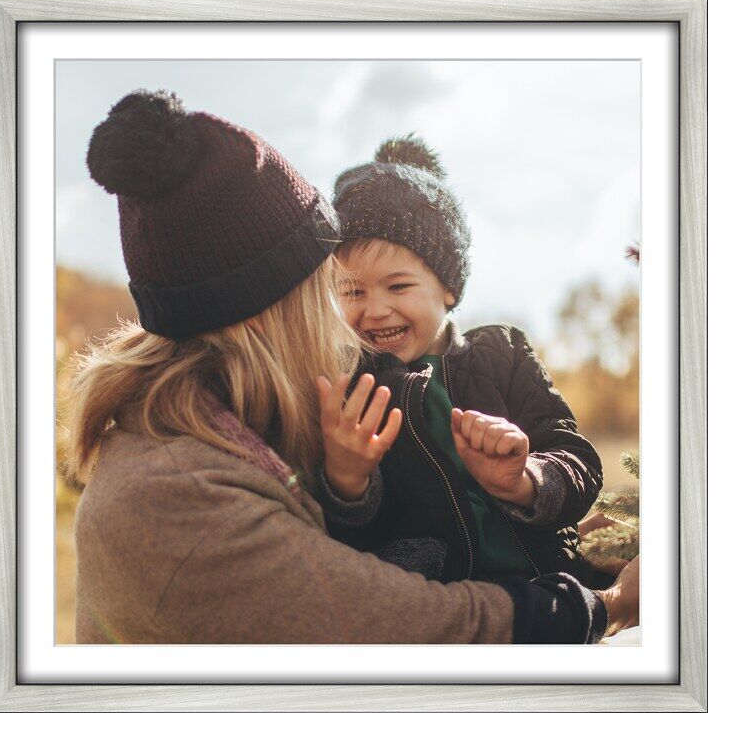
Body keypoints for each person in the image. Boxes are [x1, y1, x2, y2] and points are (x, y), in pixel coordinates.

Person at [69, 90, 637, 645]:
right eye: (337, 285)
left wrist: (535, 489)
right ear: (265, 311)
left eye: (398, 285)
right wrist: (607, 607)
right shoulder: (183, 497)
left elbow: (566, 452)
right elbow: (399, 623)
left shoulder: (242, 419)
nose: (359, 310)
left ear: (448, 287)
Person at [319, 135, 614, 590]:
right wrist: (347, 479)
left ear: (448, 288)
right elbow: (348, 541)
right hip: (444, 608)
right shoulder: (350, 387)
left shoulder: (502, 353)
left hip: (555, 585)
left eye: (398, 287)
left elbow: (577, 459)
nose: (375, 310)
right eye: (354, 292)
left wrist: (525, 480)